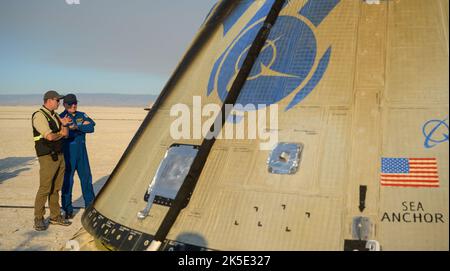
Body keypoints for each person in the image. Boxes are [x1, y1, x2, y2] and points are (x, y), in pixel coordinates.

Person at [32, 90, 73, 231]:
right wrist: (60, 133)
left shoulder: (54, 115)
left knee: (56, 188)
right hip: (47, 156)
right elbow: (49, 136)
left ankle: (55, 216)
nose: (59, 103)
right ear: (49, 100)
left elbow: (65, 134)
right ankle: (38, 217)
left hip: (59, 155)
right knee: (45, 188)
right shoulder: (39, 115)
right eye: (57, 100)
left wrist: (64, 126)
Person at [60, 94, 96, 219]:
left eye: (75, 103)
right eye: (70, 104)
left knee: (86, 179)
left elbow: (91, 127)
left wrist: (76, 127)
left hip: (82, 152)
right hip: (68, 153)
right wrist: (81, 128)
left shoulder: (82, 114)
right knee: (67, 181)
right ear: (64, 105)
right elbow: (64, 133)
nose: (73, 106)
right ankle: (67, 209)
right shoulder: (61, 117)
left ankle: (90, 207)